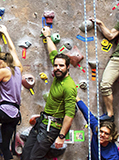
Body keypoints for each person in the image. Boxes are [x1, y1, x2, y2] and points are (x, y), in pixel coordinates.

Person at [21, 26, 77, 160]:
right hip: (42, 122)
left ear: (68, 67)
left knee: (34, 158)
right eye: (56, 65)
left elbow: (69, 115)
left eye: (61, 66)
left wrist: (61, 137)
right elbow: (53, 52)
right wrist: (47, 36)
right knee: (26, 154)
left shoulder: (69, 86)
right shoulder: (58, 73)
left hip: (52, 129)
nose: (57, 68)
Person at [0, 25, 23, 160]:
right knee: (4, 145)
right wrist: (6, 33)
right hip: (15, 114)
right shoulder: (18, 68)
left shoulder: (3, 71)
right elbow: (13, 50)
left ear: (0, 62)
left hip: (6, 110)